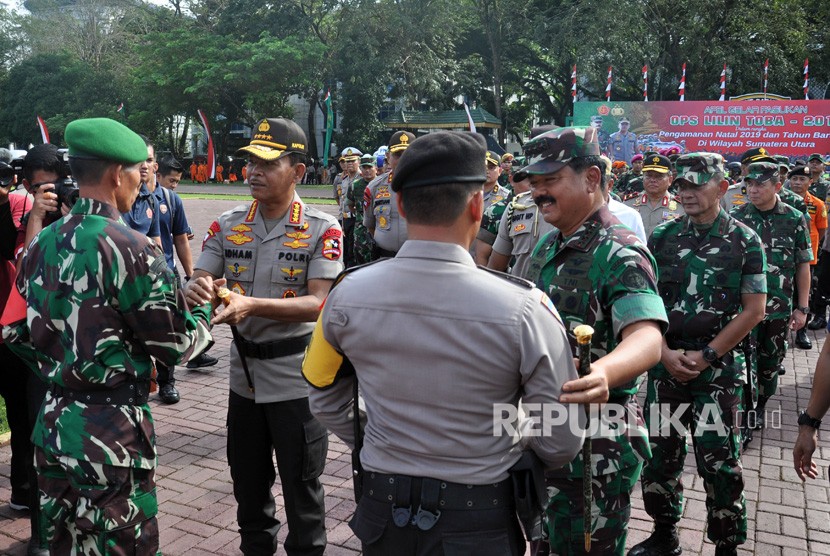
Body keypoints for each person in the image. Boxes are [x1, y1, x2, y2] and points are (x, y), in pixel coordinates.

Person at [302, 131, 585, 555]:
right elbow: (561, 436)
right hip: (479, 515)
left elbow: (323, 396)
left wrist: (380, 437)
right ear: (477, 204)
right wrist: (510, 439)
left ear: (399, 204)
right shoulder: (525, 308)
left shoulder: (346, 294)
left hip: (383, 509)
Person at [3, 117, 214, 555]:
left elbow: (12, 330)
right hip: (111, 438)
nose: (142, 180)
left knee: (64, 544)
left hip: (54, 427)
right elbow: (174, 346)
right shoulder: (134, 247)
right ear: (118, 174)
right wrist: (207, 311)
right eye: (139, 170)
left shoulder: (41, 243)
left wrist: (58, 366)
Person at [185, 117, 340, 556]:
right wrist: (195, 286)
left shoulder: (321, 227)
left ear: (298, 171)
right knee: (249, 486)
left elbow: (318, 302)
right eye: (250, 161)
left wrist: (251, 305)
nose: (253, 171)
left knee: (302, 487)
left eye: (268, 163)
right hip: (245, 378)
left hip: (296, 379)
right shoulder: (228, 222)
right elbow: (202, 274)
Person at [519, 126, 667, 555]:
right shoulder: (549, 246)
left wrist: (602, 371)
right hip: (547, 429)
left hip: (597, 443)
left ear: (591, 179)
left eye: (551, 181)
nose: (539, 193)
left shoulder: (620, 252)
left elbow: (646, 337)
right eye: (535, 183)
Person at [632, 152, 767, 556]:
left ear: (722, 188)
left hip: (720, 372)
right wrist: (665, 353)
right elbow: (645, 301)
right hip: (667, 367)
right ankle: (664, 532)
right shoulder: (662, 237)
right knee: (660, 457)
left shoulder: (745, 239)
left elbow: (754, 309)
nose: (687, 194)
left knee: (720, 463)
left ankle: (726, 543)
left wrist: (707, 355)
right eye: (682, 186)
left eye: (697, 185)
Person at [730, 158, 811, 446]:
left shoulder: (794, 217)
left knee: (769, 362)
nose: (752, 189)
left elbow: (803, 265)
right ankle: (746, 414)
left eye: (760, 184)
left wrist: (802, 308)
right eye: (749, 183)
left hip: (778, 309)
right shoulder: (737, 216)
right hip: (743, 309)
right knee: (743, 362)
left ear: (777, 185)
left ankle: (761, 404)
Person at [154, 154, 219, 389]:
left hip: (166, 273)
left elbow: (181, 239)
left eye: (177, 181)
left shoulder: (172, 201)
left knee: (168, 326)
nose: (174, 185)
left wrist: (192, 274)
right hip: (136, 274)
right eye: (170, 180)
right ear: (156, 174)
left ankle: (167, 382)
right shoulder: (131, 199)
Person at [788, 164, 827, 350]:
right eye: (794, 179)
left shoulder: (817, 204)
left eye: (802, 179)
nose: (797, 182)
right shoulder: (782, 201)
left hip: (807, 259)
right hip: (784, 257)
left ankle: (802, 332)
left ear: (810, 182)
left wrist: (815, 252)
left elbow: (822, 230)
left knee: (805, 295)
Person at [364, 131, 415, 258]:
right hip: (384, 258)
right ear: (388, 156)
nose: (403, 160)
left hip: (416, 259)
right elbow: (370, 225)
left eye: (408, 155)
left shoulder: (428, 187)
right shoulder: (374, 187)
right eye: (397, 155)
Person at [623, 154, 684, 238]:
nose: (652, 180)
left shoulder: (682, 207)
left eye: (659, 177)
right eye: (648, 176)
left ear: (670, 180)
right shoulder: (628, 204)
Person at [347, 153, 378, 266]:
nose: (367, 170)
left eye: (370, 167)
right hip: (361, 231)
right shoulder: (355, 186)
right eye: (364, 167)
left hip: (378, 228)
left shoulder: (381, 184)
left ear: (375, 168)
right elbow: (350, 204)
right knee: (359, 260)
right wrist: (360, 215)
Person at [333, 147, 361, 267]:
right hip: (345, 220)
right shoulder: (343, 179)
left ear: (358, 161)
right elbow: (340, 200)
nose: (349, 164)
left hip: (357, 219)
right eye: (347, 161)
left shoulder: (362, 179)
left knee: (355, 251)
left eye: (352, 161)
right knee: (346, 252)